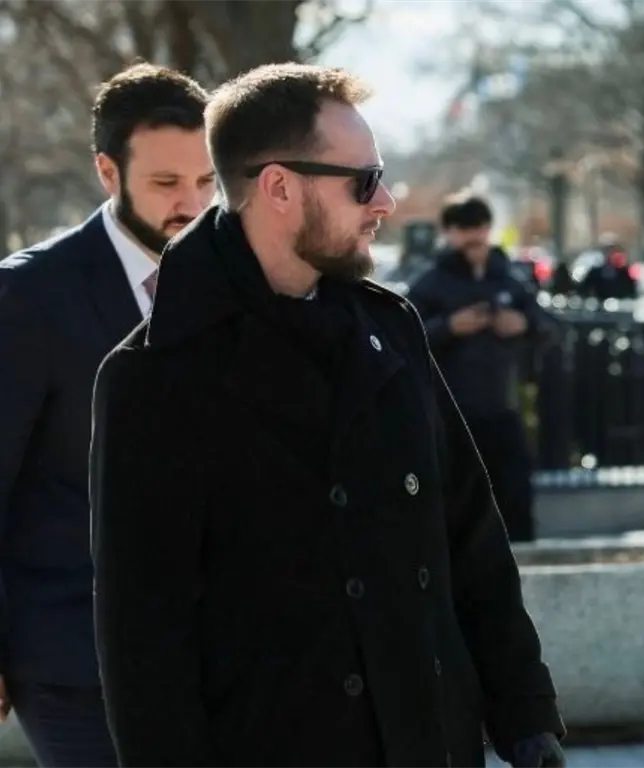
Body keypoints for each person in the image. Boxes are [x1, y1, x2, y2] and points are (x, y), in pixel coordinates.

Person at [88, 64, 565, 768]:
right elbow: (144, 643)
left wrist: (525, 716)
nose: (387, 202)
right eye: (363, 181)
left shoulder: (390, 330)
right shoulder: (154, 375)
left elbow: (469, 541)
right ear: (279, 186)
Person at [0, 62, 212, 768]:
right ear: (106, 171)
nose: (191, 203)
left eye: (207, 182)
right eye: (165, 183)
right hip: (71, 659)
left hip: (211, 653)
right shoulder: (29, 297)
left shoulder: (234, 282)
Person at [406, 194, 544, 542]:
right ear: (450, 232)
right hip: (452, 413)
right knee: (458, 503)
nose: (474, 238)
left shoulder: (508, 278)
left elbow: (549, 326)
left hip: (503, 408)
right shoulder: (432, 282)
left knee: (514, 497)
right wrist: (449, 327)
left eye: (479, 228)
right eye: (464, 229)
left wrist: (523, 323)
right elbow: (405, 335)